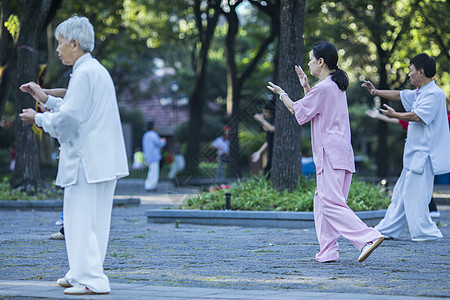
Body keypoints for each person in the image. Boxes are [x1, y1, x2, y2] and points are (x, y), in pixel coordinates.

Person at [19, 16, 129, 295]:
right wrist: (44, 99)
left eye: (60, 43)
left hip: (87, 161)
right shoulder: (94, 70)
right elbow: (74, 107)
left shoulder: (84, 73)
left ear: (74, 43)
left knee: (80, 219)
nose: (57, 49)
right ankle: (81, 272)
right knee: (92, 220)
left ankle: (92, 278)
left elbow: (69, 120)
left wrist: (38, 119)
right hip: (100, 159)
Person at [267, 41, 384, 263]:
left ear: (321, 62)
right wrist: (305, 85)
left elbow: (297, 110)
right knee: (323, 200)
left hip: (330, 154)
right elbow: (314, 109)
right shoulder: (334, 87)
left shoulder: (324, 88)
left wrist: (282, 93)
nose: (309, 64)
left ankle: (368, 237)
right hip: (340, 153)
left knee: (330, 202)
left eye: (311, 59)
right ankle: (328, 251)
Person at [361, 53, 450, 242]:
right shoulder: (420, 92)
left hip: (425, 155)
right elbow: (400, 95)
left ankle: (426, 232)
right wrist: (375, 92)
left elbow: (418, 116)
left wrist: (395, 115)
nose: (409, 75)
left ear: (421, 71)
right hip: (414, 155)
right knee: (401, 194)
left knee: (415, 197)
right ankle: (387, 229)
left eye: (411, 70)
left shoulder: (435, 94)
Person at [365, 106, 450, 218]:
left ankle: (429, 210)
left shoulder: (443, 118)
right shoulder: (418, 119)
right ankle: (430, 210)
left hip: (436, 155)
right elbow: (400, 121)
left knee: (422, 182)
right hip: (422, 156)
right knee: (420, 182)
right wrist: (378, 116)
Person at [251, 100, 276, 178]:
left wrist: (261, 120)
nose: (264, 114)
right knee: (267, 171)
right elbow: (268, 141)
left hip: (276, 153)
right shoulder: (270, 121)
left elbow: (272, 129)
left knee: (268, 171)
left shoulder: (276, 119)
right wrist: (259, 152)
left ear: (268, 110)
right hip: (271, 153)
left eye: (264, 112)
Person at [142, 121, 166, 191]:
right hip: (154, 156)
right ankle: (151, 186)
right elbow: (160, 143)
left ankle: (148, 185)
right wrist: (163, 140)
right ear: (152, 127)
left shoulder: (145, 135)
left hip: (148, 156)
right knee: (154, 172)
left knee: (151, 171)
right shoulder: (153, 135)